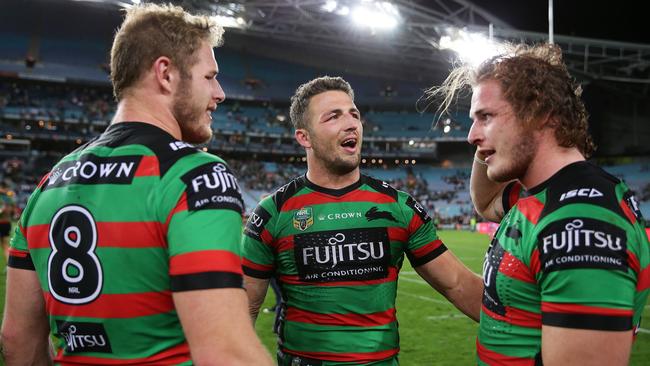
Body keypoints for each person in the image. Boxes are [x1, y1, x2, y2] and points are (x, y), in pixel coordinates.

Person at [0, 4, 273, 365]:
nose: (220, 93)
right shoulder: (196, 176)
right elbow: (226, 352)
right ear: (166, 73)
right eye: (209, 77)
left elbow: (17, 340)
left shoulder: (48, 184)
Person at [429, 43, 650, 365]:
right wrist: (492, 139)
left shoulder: (580, 222)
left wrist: (496, 140)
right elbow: (486, 201)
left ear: (541, 114)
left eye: (485, 116)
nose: (470, 137)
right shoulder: (541, 195)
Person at [242, 76, 483, 365]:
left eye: (354, 114)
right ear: (304, 137)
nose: (351, 123)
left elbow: (457, 284)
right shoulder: (273, 213)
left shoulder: (399, 207)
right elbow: (245, 309)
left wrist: (534, 324)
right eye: (333, 116)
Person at [0, 181, 16, 262]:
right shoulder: (9, 198)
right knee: (5, 244)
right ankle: (9, 263)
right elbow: (13, 209)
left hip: (2, 223)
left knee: (5, 245)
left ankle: (9, 263)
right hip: (7, 222)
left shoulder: (2, 198)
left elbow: (3, 210)